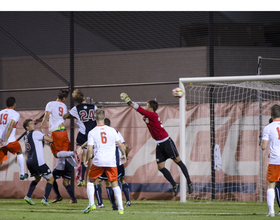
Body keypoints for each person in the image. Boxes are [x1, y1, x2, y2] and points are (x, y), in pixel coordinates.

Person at [120, 93, 193, 196]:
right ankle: (174, 184)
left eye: (147, 105)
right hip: (159, 144)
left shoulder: (153, 114)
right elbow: (143, 113)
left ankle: (189, 182)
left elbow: (140, 110)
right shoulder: (147, 115)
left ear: (151, 108)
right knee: (160, 167)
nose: (146, 106)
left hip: (166, 141)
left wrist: (129, 102)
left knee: (178, 161)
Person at [37, 89, 78, 204]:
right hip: (63, 132)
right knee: (62, 180)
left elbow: (47, 116)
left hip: (56, 133)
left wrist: (41, 126)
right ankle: (75, 165)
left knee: (55, 154)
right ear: (64, 98)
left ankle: (74, 155)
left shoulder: (50, 103)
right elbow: (62, 116)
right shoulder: (64, 106)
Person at [83, 108, 126, 214]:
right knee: (114, 182)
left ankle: (91, 204)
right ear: (104, 116)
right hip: (111, 161)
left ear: (95, 118)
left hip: (99, 160)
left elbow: (89, 148)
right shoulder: (112, 130)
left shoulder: (92, 132)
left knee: (90, 180)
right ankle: (120, 208)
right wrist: (124, 154)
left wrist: (88, 158)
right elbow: (120, 144)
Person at [94, 118, 131, 209]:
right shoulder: (115, 132)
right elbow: (125, 145)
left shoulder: (97, 133)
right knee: (121, 180)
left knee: (104, 182)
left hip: (106, 162)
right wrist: (125, 155)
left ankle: (110, 205)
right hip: (118, 163)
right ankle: (127, 201)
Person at [63, 89, 97, 187]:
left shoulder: (76, 108)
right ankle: (93, 178)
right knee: (92, 157)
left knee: (82, 157)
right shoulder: (93, 107)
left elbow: (66, 116)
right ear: (84, 97)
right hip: (93, 134)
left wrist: (75, 116)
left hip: (82, 135)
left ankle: (81, 177)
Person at [22, 119, 54, 206]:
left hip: (29, 161)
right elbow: (50, 140)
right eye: (31, 124)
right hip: (38, 161)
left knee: (37, 178)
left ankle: (28, 196)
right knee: (51, 179)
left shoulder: (26, 136)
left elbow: (39, 144)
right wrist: (49, 137)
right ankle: (45, 199)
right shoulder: (35, 133)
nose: (33, 125)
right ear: (27, 127)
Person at [0, 97, 28, 180]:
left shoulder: (0, 112)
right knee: (19, 152)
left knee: (0, 160)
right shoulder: (15, 113)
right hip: (9, 141)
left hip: (0, 141)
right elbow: (10, 125)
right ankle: (22, 174)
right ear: (14, 104)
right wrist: (5, 140)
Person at [261, 104, 280, 217]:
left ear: (271, 115)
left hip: (275, 160)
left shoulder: (268, 127)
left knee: (271, 185)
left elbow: (263, 146)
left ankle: (271, 211)